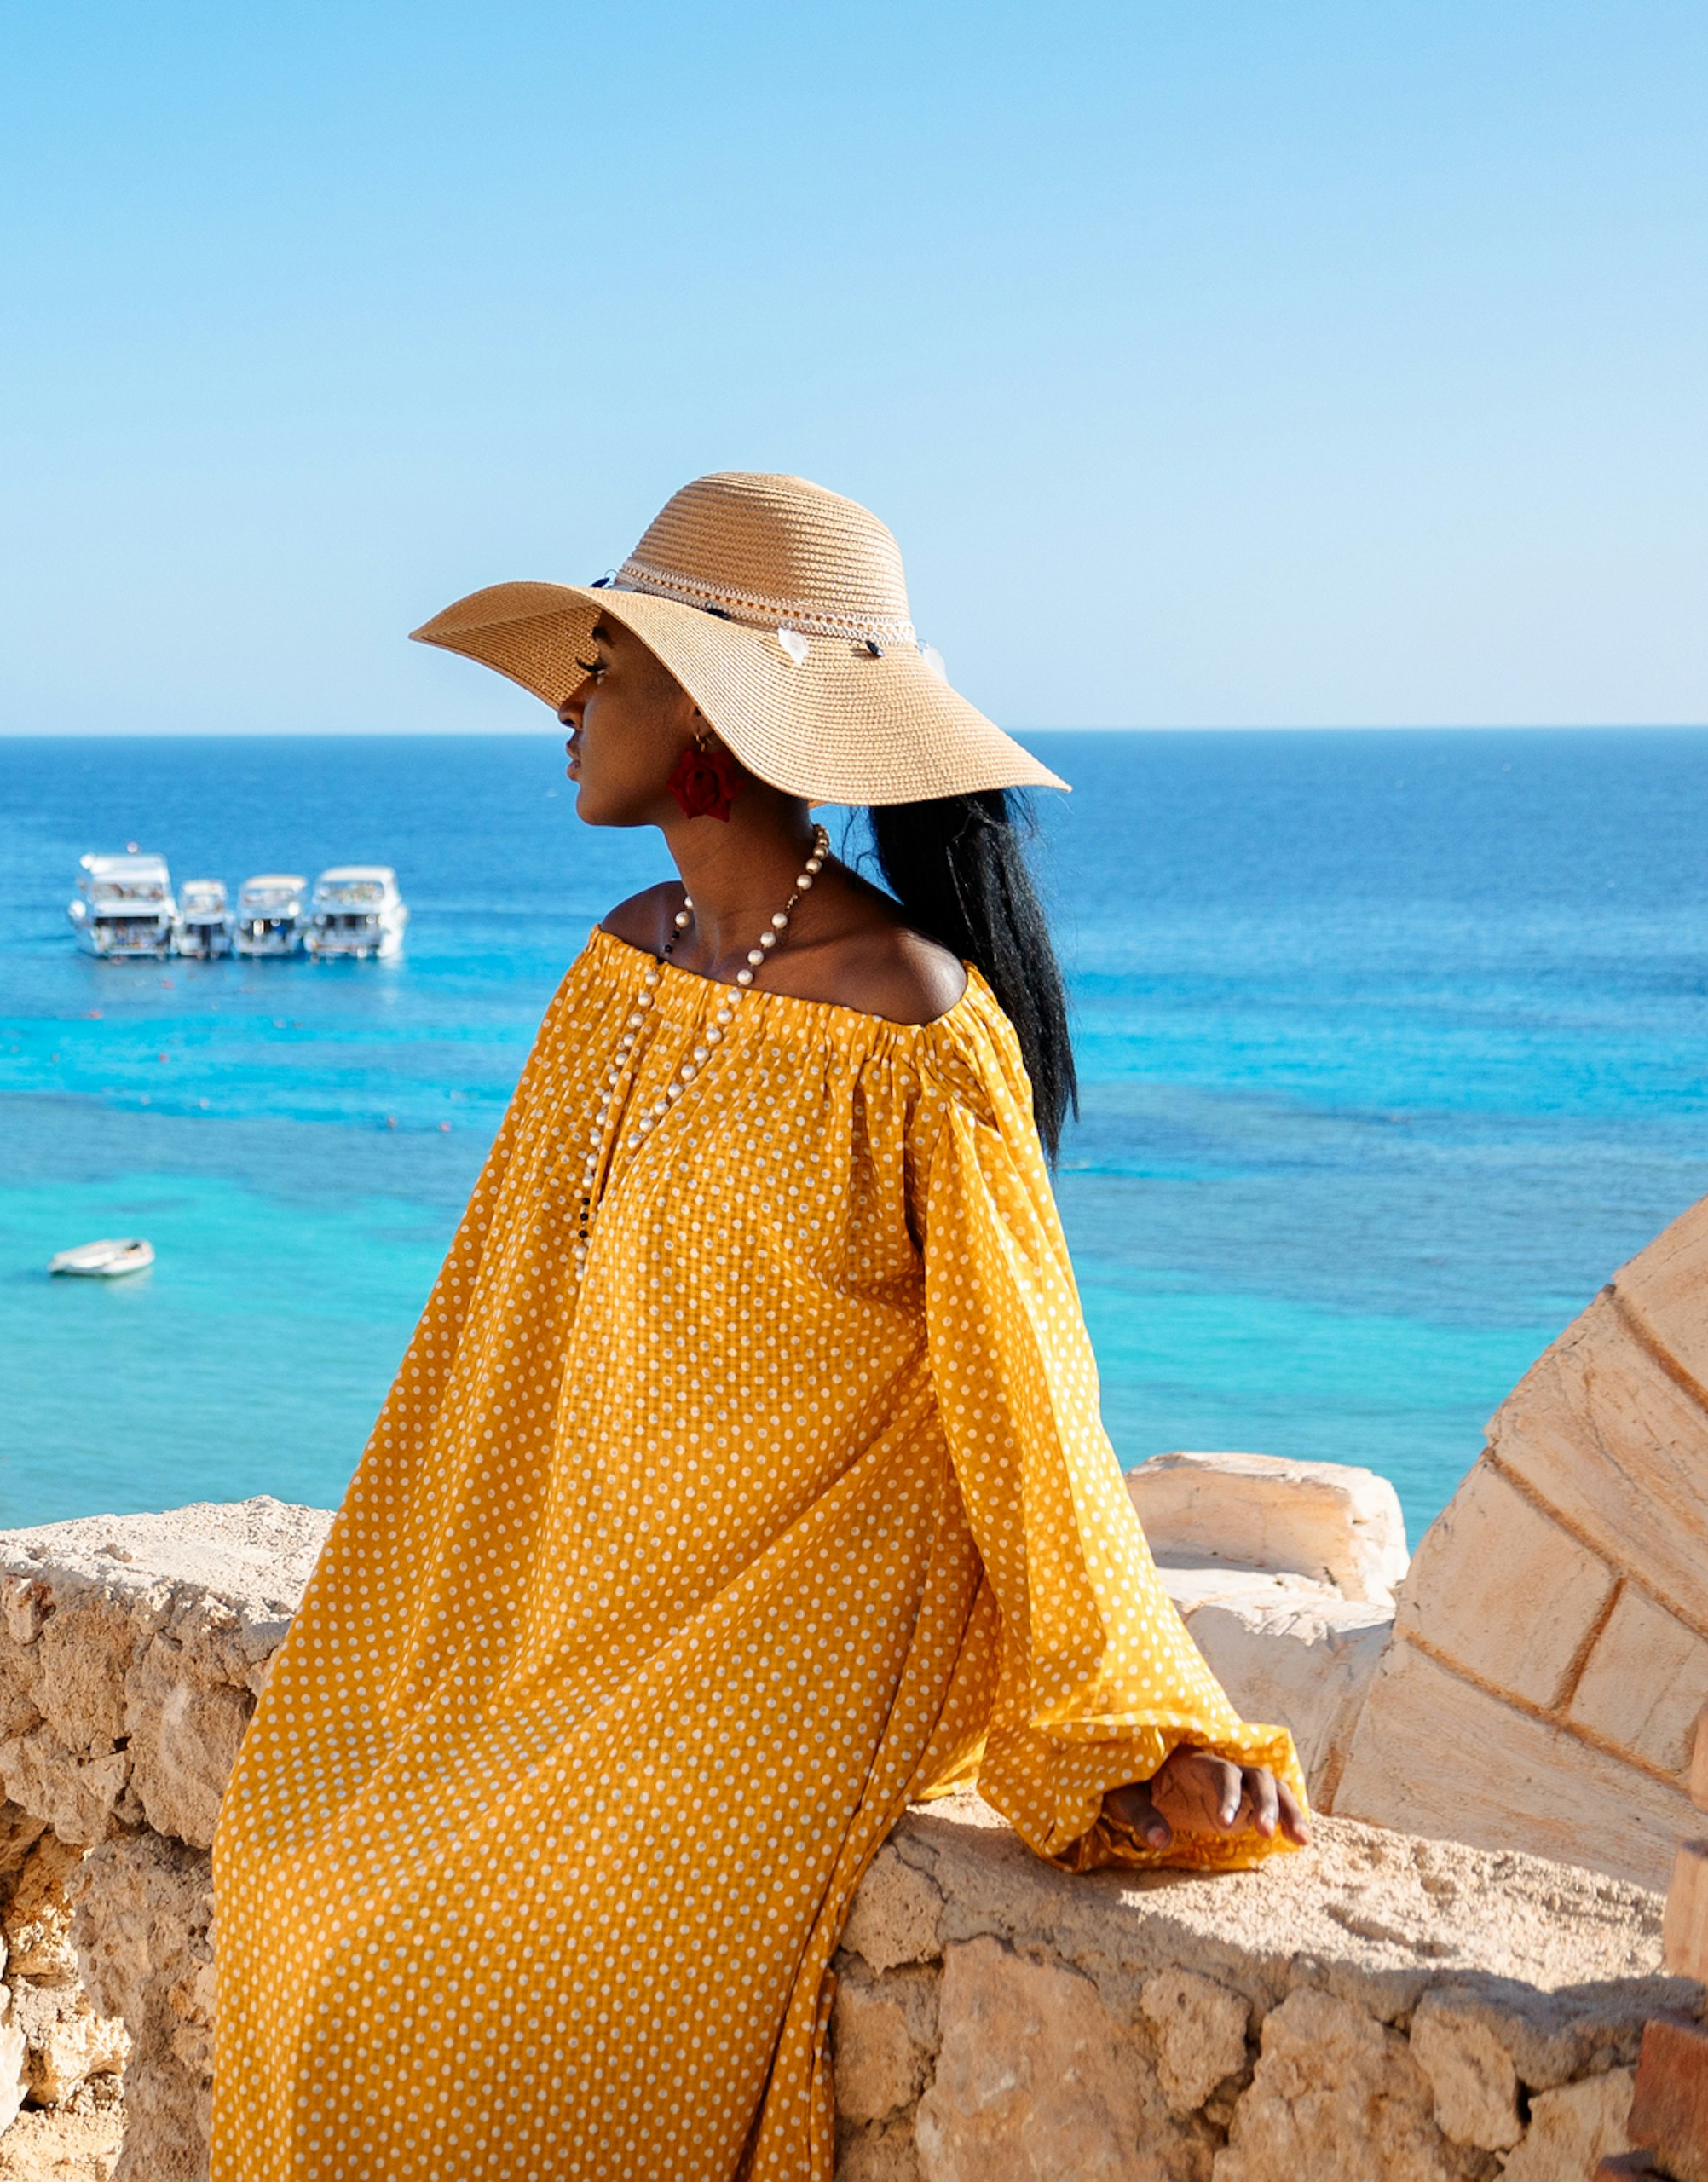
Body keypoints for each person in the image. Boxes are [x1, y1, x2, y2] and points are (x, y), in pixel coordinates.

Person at [209, 476, 1303, 2182]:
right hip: (588, 1607)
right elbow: (492, 1335)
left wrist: (1149, 1720)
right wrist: (430, 1618)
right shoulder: (620, 968)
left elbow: (1031, 1401)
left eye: (608, 664)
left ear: (718, 709)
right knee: (292, 1861)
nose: (566, 703)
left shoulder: (917, 1031)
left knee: (413, 1967)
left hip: (794, 1637)